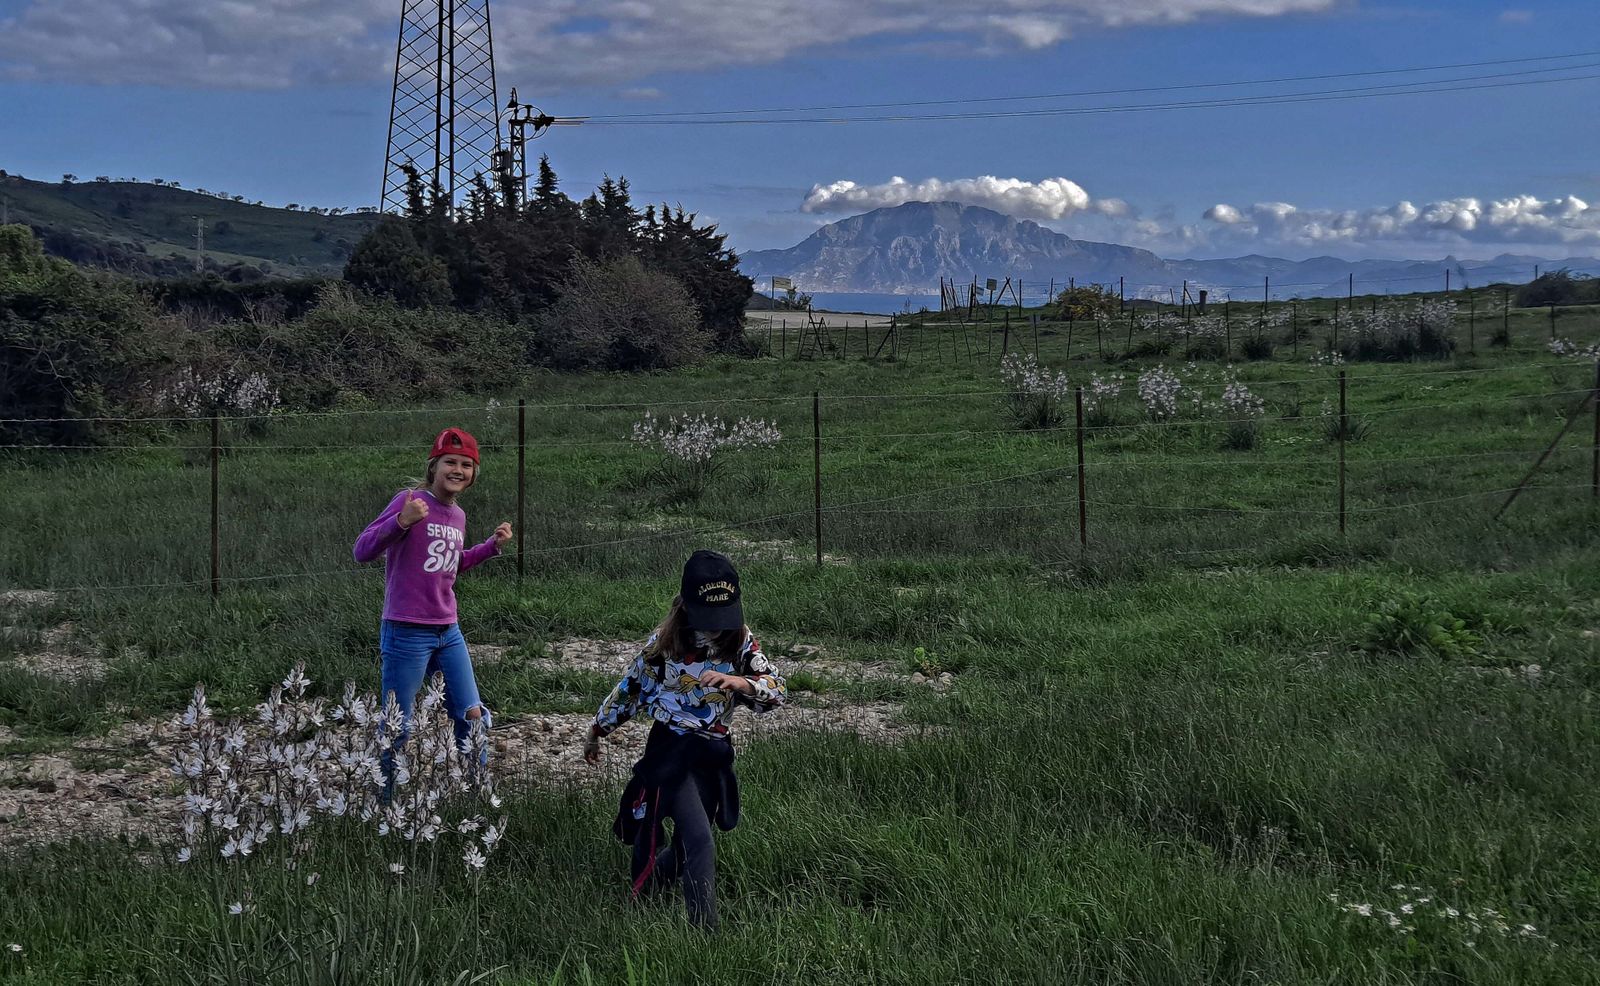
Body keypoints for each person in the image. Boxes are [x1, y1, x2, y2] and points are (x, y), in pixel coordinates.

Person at [585, 549, 785, 929]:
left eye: (722, 618)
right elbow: (629, 690)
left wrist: (742, 683)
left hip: (712, 754)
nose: (715, 627)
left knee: (683, 850)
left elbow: (777, 688)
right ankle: (705, 933)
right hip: (670, 754)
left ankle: (645, 892)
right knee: (699, 841)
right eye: (708, 618)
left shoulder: (741, 641)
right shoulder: (664, 644)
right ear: (686, 606)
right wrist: (596, 731)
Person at [353, 427, 511, 763]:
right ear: (433, 467)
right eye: (449, 462)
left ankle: (476, 794)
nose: (457, 470)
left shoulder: (458, 515)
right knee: (399, 725)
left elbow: (449, 565)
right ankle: (385, 801)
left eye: (466, 465)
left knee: (471, 715)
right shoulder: (410, 501)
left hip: (448, 630)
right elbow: (362, 551)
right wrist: (400, 522)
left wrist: (490, 547)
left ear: (473, 475)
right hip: (406, 630)